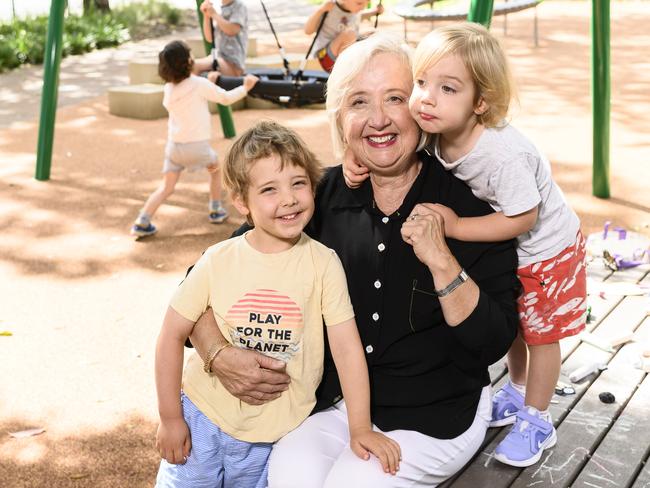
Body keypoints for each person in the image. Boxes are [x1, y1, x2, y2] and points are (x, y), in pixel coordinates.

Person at [188, 33, 519, 487]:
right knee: (287, 475)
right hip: (338, 403)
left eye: (396, 98)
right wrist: (217, 352)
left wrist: (443, 261)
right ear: (340, 118)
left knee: (354, 482)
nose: (378, 119)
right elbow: (200, 280)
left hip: (438, 409)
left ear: (421, 107)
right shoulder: (308, 200)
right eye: (359, 102)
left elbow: (492, 343)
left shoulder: (468, 208)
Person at [348, 23, 587, 468]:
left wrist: (456, 226)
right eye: (421, 83)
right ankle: (516, 391)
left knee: (540, 334)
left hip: (548, 251)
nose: (427, 99)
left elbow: (524, 217)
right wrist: (353, 154)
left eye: (447, 88)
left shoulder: (502, 153)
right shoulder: (437, 126)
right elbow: (385, 140)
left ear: (480, 103)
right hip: (515, 246)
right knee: (514, 321)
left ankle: (537, 418)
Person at [154, 121, 401, 487]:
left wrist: (359, 427)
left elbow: (347, 348)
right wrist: (170, 418)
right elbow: (170, 336)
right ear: (241, 202)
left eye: (298, 183)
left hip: (274, 435)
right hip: (202, 419)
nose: (288, 199)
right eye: (269, 189)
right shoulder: (217, 259)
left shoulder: (323, 264)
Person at [130, 40, 258, 238]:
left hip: (174, 149)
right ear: (188, 62)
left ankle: (142, 221)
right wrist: (246, 87)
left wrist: (209, 83)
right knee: (215, 171)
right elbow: (225, 98)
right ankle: (215, 209)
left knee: (166, 188)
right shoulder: (199, 84)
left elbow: (189, 93)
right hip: (198, 149)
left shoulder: (169, 88)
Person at [305, 0, 384, 72]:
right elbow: (308, 31)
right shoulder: (330, 8)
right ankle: (346, 70)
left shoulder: (353, 10)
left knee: (372, 33)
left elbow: (360, 15)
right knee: (349, 34)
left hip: (342, 55)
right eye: (359, 3)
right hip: (325, 58)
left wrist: (374, 12)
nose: (363, 7)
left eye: (366, 4)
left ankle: (365, 66)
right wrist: (321, 10)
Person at [194, 0, 248, 83]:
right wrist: (206, 16)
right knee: (189, 66)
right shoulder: (219, 8)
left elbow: (232, 30)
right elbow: (209, 38)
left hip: (233, 63)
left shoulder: (239, 6)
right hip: (218, 58)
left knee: (195, 66)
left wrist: (214, 14)